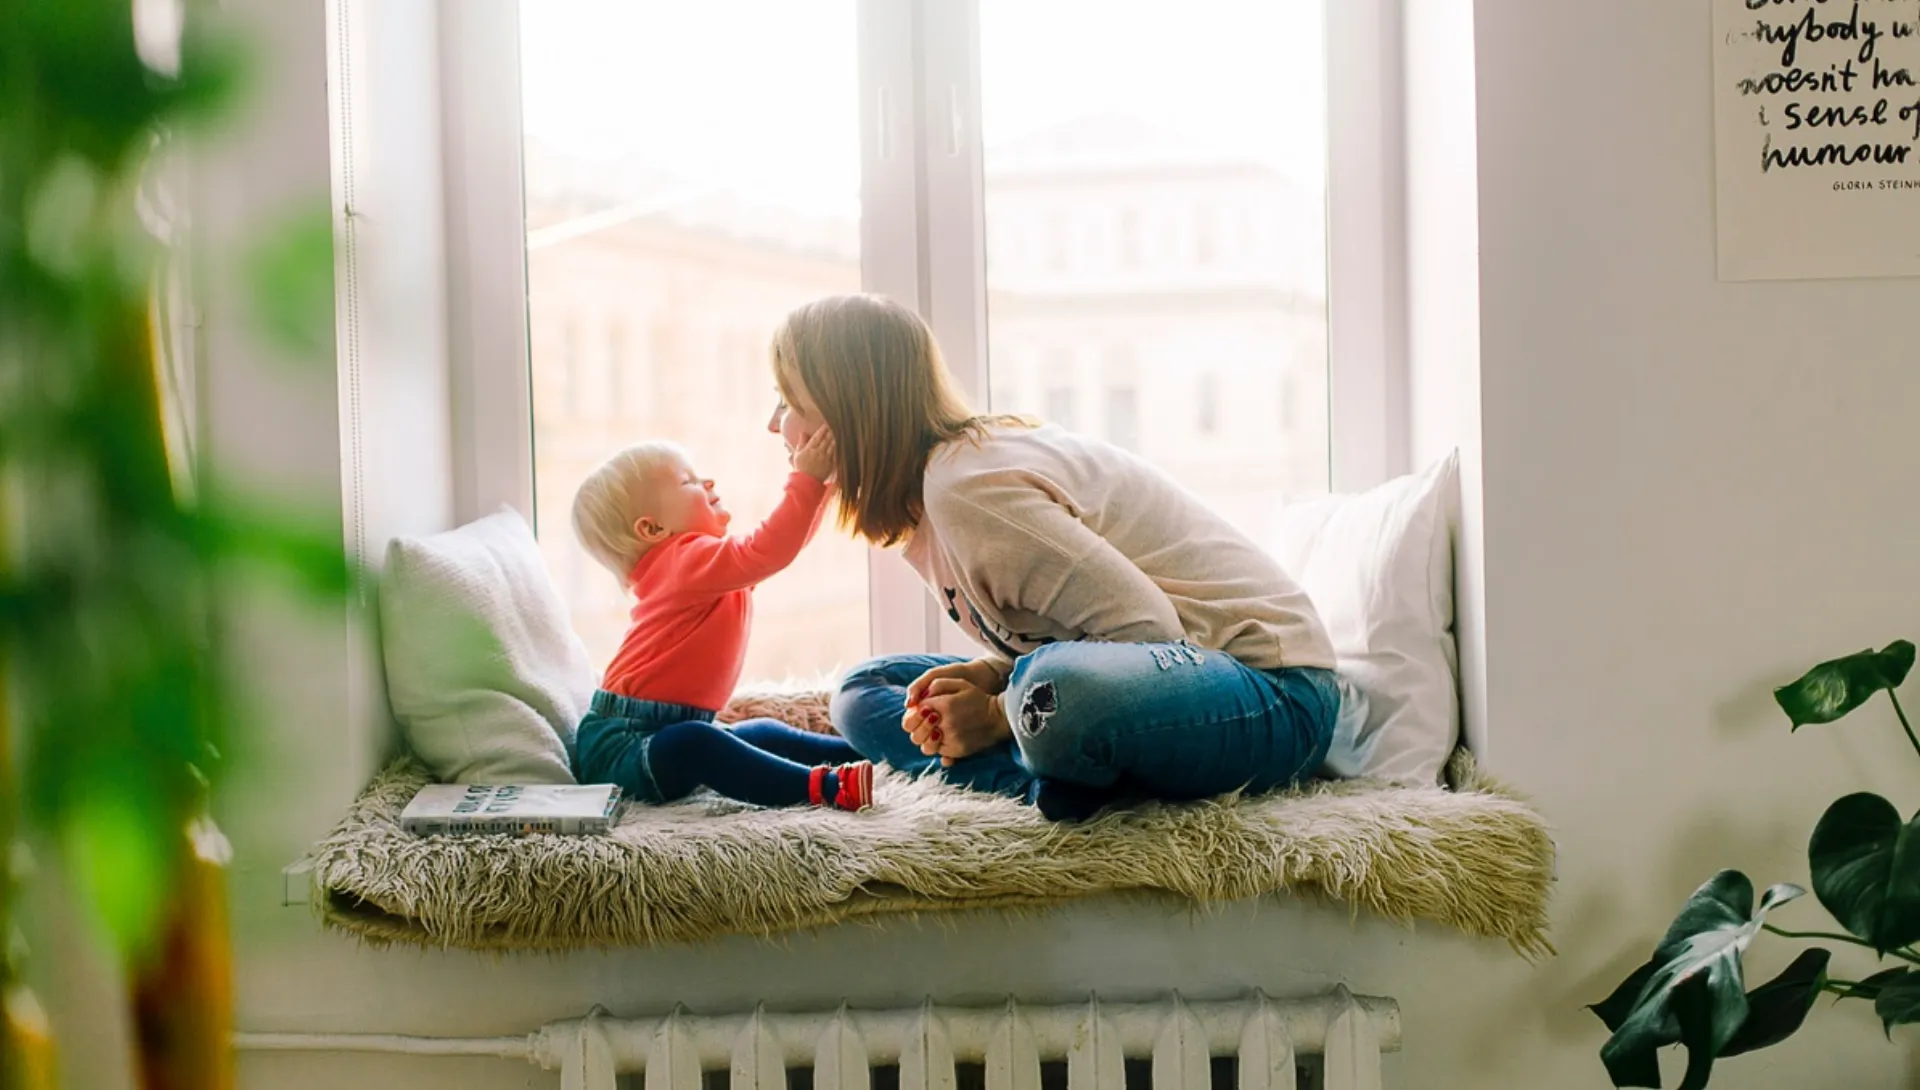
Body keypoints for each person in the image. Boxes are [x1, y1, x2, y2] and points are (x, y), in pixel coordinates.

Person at [765, 293, 1341, 820]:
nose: (775, 424)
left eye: (789, 401)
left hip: (1273, 693)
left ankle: (1041, 767)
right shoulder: (930, 501)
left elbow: (1149, 631)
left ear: (849, 412)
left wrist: (994, 713)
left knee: (1053, 692)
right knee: (866, 689)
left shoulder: (967, 488)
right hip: (1157, 680)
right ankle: (1051, 779)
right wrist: (996, 679)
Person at [569, 433, 874, 812]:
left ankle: (868, 752)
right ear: (652, 530)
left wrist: (824, 487)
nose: (707, 482)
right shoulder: (683, 562)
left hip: (662, 729)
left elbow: (781, 549)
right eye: (688, 481)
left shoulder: (700, 567)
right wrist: (808, 481)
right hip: (622, 747)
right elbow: (769, 549)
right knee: (698, 744)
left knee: (761, 732)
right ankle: (824, 788)